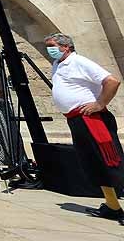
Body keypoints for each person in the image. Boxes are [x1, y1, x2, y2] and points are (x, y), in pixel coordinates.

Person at [45, 33, 123, 223]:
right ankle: (113, 206)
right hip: (76, 120)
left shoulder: (78, 61)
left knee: (111, 161)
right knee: (94, 163)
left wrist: (99, 104)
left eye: (52, 45)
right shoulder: (58, 65)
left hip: (92, 119)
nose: (49, 49)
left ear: (66, 47)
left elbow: (112, 81)